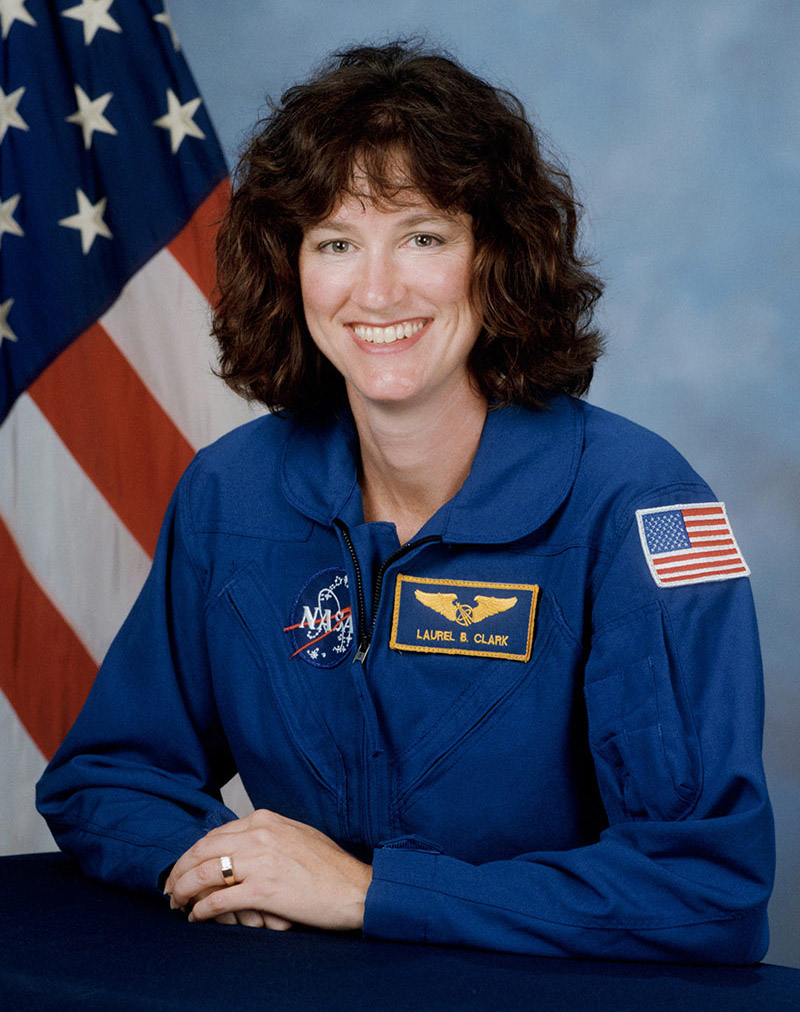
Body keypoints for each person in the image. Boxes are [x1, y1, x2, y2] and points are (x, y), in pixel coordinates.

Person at [36, 40, 774, 963]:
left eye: (423, 236)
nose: (376, 290)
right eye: (336, 243)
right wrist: (237, 868)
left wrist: (371, 894)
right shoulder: (231, 495)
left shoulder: (643, 510)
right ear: (290, 268)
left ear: (493, 256)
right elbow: (107, 775)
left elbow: (707, 889)